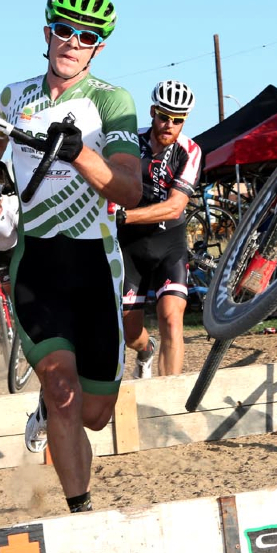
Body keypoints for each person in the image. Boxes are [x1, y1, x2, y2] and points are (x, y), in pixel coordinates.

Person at [0, 0, 142, 515]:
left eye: (86, 36)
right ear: (47, 33)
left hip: (95, 264)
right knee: (63, 389)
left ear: (99, 48)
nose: (72, 42)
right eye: (63, 30)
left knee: (95, 414)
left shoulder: (112, 101)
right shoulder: (12, 97)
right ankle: (80, 513)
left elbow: (130, 189)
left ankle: (52, 409)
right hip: (37, 262)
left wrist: (80, 153)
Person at [116, 80, 202, 379]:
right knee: (130, 335)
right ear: (152, 112)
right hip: (130, 249)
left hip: (169, 243)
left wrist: (124, 216)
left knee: (171, 319)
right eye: (164, 116)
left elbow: (175, 207)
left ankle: (170, 402)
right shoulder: (128, 143)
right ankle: (145, 350)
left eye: (178, 120)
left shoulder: (189, 151)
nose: (169, 124)